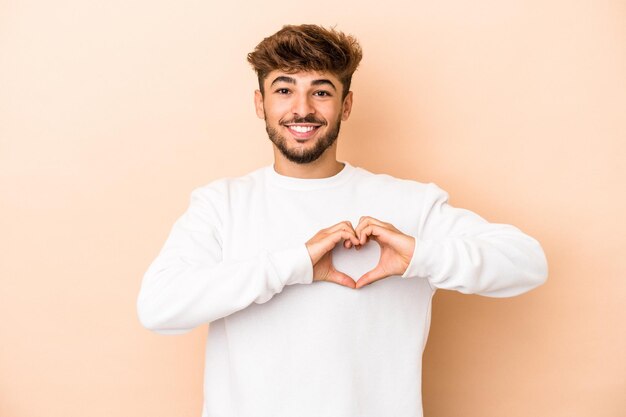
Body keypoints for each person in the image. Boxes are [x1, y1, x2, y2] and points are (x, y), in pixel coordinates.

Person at [137, 24, 548, 417]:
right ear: (260, 103)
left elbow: (528, 264)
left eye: (321, 91)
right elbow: (158, 308)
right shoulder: (221, 204)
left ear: (346, 105)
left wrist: (421, 256)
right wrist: (294, 265)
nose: (302, 109)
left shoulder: (408, 203)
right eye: (284, 90)